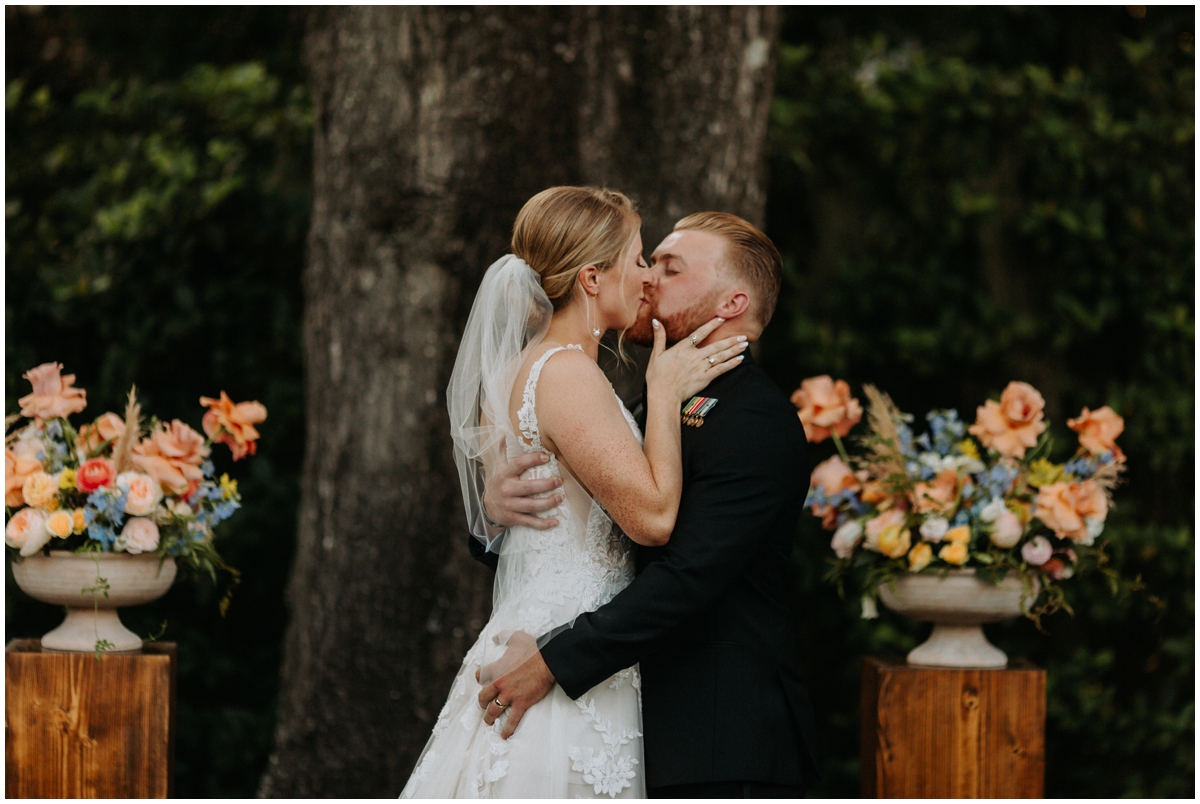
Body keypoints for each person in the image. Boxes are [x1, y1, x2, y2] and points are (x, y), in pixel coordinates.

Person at [400, 186, 747, 798]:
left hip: (547, 630)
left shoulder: (522, 368)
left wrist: (494, 514)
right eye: (638, 259)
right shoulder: (566, 373)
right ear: (592, 277)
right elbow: (654, 520)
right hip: (561, 647)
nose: (646, 279)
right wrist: (664, 394)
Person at [476, 211, 819, 798]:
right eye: (648, 260)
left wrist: (556, 661)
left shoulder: (755, 421)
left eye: (671, 267)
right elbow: (590, 539)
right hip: (631, 724)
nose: (648, 278)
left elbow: (688, 576)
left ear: (731, 304)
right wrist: (500, 514)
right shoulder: (645, 403)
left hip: (718, 742)